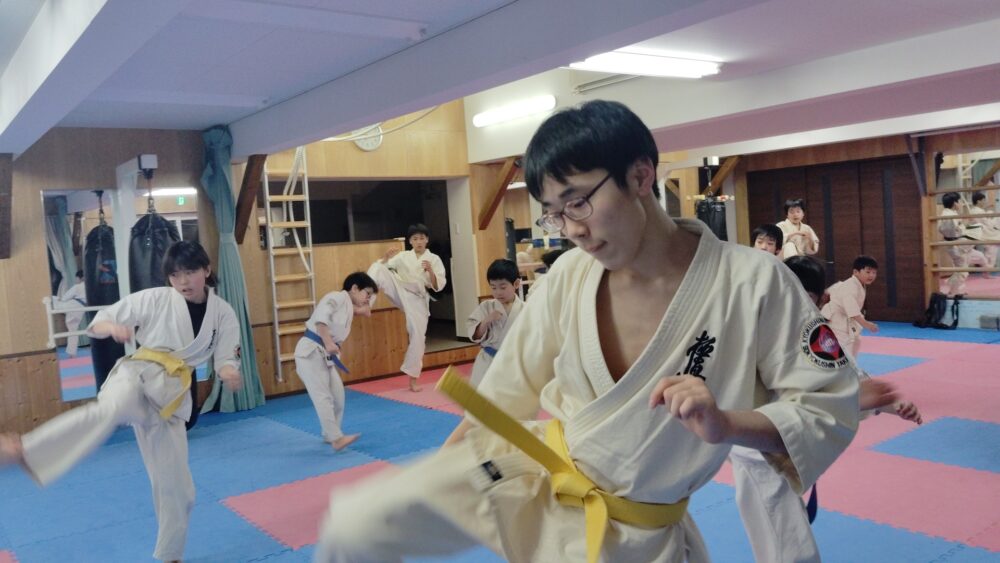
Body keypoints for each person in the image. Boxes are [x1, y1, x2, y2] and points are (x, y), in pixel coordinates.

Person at [314, 100, 860, 563]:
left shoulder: (753, 283)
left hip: (640, 532)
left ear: (641, 177)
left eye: (578, 202)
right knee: (356, 525)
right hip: (534, 474)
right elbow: (501, 398)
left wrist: (725, 424)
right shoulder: (570, 275)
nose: (571, 229)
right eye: (554, 213)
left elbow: (828, 407)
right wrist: (441, 478)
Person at [0, 241, 243, 563]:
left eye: (190, 272)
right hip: (137, 375)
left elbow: (226, 355)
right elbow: (100, 321)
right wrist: (112, 328)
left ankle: (170, 554)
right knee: (109, 410)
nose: (183, 281)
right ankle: (25, 448)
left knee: (179, 488)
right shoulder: (155, 298)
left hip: (169, 397)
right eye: (175, 274)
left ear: (206, 270)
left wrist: (228, 371)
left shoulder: (223, 313)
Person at [731, 255, 921, 563]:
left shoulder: (816, 334)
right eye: (788, 292)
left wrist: (890, 404)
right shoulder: (754, 325)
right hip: (757, 445)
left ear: (821, 300)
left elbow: (847, 379)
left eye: (804, 296)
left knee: (781, 537)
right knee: (788, 542)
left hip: (780, 441)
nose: (794, 303)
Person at [294, 272, 377, 451]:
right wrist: (329, 342)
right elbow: (320, 319)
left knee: (338, 397)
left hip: (325, 355)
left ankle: (330, 433)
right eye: (367, 293)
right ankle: (336, 439)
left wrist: (364, 307)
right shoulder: (336, 297)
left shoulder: (348, 305)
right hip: (310, 353)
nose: (368, 298)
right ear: (354, 288)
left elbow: (360, 310)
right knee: (323, 396)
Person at [367, 224, 447, 392]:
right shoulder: (403, 256)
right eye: (415, 239)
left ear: (427, 240)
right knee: (378, 268)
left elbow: (437, 286)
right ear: (410, 241)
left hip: (418, 299)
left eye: (422, 238)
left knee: (418, 338)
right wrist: (385, 258)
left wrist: (430, 271)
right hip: (401, 290)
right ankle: (366, 304)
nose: (419, 242)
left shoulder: (434, 259)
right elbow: (385, 268)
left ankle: (413, 381)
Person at [466, 259, 524, 388]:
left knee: (510, 398)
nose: (498, 292)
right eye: (493, 287)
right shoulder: (486, 307)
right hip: (487, 361)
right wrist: (486, 320)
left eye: (503, 287)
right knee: (482, 396)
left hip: (514, 363)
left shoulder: (526, 309)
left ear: (516, 284)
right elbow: (475, 336)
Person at [821, 256, 879, 358]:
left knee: (856, 341)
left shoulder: (854, 284)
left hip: (844, 320)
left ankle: (852, 366)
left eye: (874, 272)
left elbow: (828, 292)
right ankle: (845, 366)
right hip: (836, 321)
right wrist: (867, 324)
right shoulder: (850, 286)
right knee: (844, 350)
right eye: (868, 272)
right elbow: (852, 311)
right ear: (856, 272)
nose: (871, 275)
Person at [55, 270, 87, 357]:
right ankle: (72, 353)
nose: (76, 280)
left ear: (81, 278)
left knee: (53, 300)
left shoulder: (78, 286)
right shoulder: (90, 287)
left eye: (76, 278)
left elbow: (64, 298)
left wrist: (60, 299)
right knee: (73, 330)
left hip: (72, 306)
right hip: (81, 309)